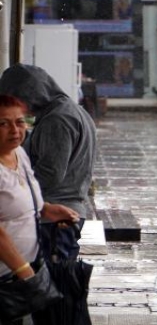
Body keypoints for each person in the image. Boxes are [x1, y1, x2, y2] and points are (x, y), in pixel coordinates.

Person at [0, 64, 97, 263]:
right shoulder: (71, 111)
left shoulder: (58, 120)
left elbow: (50, 173)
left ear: (32, 93)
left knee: (49, 286)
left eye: (17, 100)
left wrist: (15, 191)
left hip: (53, 219)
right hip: (63, 213)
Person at [0, 95, 79, 325]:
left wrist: (46, 210)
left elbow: (22, 201)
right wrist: (24, 271)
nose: (15, 130)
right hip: (11, 275)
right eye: (3, 124)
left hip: (19, 272)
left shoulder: (19, 154)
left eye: (20, 121)